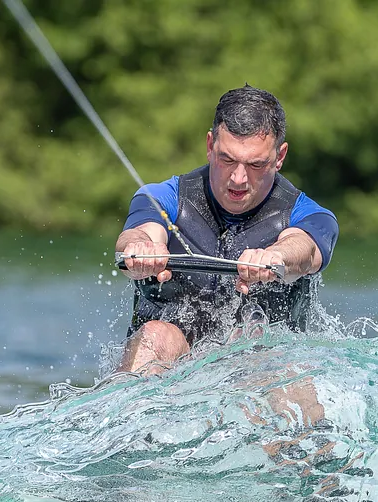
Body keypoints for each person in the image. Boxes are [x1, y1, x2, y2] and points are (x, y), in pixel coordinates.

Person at [115, 85, 339, 373]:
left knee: (253, 341)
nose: (238, 178)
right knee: (157, 336)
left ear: (280, 157)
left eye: (256, 164)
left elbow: (304, 249)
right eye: (227, 159)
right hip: (171, 366)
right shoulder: (164, 196)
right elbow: (139, 232)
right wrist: (140, 248)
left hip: (260, 373)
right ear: (210, 146)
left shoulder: (310, 215)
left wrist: (276, 257)